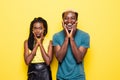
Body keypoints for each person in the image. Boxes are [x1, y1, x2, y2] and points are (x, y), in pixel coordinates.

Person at [52, 10, 90, 80]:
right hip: (61, 77)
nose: (69, 21)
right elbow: (60, 59)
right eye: (66, 18)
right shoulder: (56, 36)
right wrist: (67, 37)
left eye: (72, 18)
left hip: (78, 77)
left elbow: (79, 59)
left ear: (76, 21)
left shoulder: (85, 36)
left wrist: (71, 37)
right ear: (63, 21)